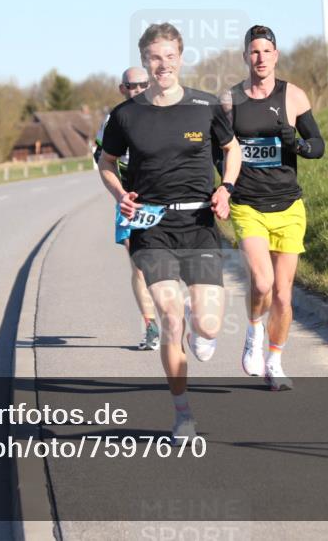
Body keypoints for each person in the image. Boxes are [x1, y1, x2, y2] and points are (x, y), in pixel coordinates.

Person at [98, 22, 241, 443]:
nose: (163, 64)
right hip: (151, 226)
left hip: (198, 224)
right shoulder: (126, 115)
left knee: (209, 327)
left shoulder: (205, 105)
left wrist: (226, 189)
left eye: (170, 56)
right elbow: (107, 163)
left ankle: (204, 330)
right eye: (155, 58)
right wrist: (121, 194)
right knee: (170, 316)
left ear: (181, 57)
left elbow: (231, 150)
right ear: (145, 60)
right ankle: (183, 415)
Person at [223, 25, 325, 391]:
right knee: (262, 281)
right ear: (246, 57)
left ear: (276, 55)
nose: (260, 58)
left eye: (267, 51)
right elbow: (217, 151)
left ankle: (275, 360)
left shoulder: (293, 96)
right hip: (248, 204)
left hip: (288, 205)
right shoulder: (231, 100)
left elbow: (319, 146)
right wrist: (220, 188)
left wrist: (296, 145)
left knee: (283, 293)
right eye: (254, 52)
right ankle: (253, 331)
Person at [94, 67, 160, 350]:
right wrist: (120, 192)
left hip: (163, 198)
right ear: (123, 89)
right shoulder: (115, 119)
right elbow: (101, 157)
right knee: (140, 266)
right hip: (130, 201)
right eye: (132, 86)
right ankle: (151, 326)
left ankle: (176, 308)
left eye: (143, 84)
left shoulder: (166, 113)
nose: (138, 90)